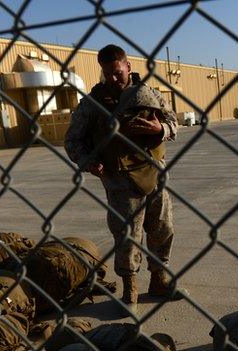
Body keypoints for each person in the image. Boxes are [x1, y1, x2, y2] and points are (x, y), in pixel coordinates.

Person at [64, 44, 184, 309]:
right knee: (127, 235)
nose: (113, 78)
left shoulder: (149, 94)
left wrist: (159, 128)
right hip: (119, 179)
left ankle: (159, 279)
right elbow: (72, 140)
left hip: (154, 172)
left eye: (117, 71)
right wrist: (88, 162)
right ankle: (130, 288)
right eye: (107, 73)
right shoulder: (93, 104)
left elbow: (174, 122)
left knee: (163, 229)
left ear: (128, 66)